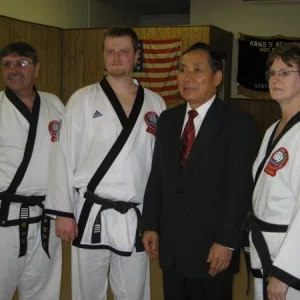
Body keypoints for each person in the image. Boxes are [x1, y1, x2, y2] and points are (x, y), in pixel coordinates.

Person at [45, 27, 166, 300]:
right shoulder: (83, 99)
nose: (116, 58)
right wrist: (63, 211)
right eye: (109, 51)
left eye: (124, 51)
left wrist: (155, 221)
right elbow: (63, 157)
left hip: (135, 214)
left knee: (133, 292)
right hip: (91, 210)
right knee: (87, 292)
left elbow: (161, 169)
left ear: (136, 56)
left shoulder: (156, 104)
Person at [142, 42, 259, 300]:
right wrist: (150, 224)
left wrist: (227, 241)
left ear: (217, 77)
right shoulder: (169, 120)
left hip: (212, 248)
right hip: (173, 244)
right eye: (182, 70)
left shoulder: (238, 124)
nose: (188, 78)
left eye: (197, 70)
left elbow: (239, 190)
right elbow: (158, 176)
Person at [0, 42, 63, 300]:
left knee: (43, 291)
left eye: (22, 63)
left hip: (47, 215)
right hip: (4, 218)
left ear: (36, 69)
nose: (14, 69)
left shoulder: (54, 104)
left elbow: (68, 157)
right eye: (7, 64)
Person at [249, 43, 300, 300]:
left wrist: (285, 271)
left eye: (285, 72)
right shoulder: (273, 130)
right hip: (266, 246)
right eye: (272, 73)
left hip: (288, 258)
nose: (275, 78)